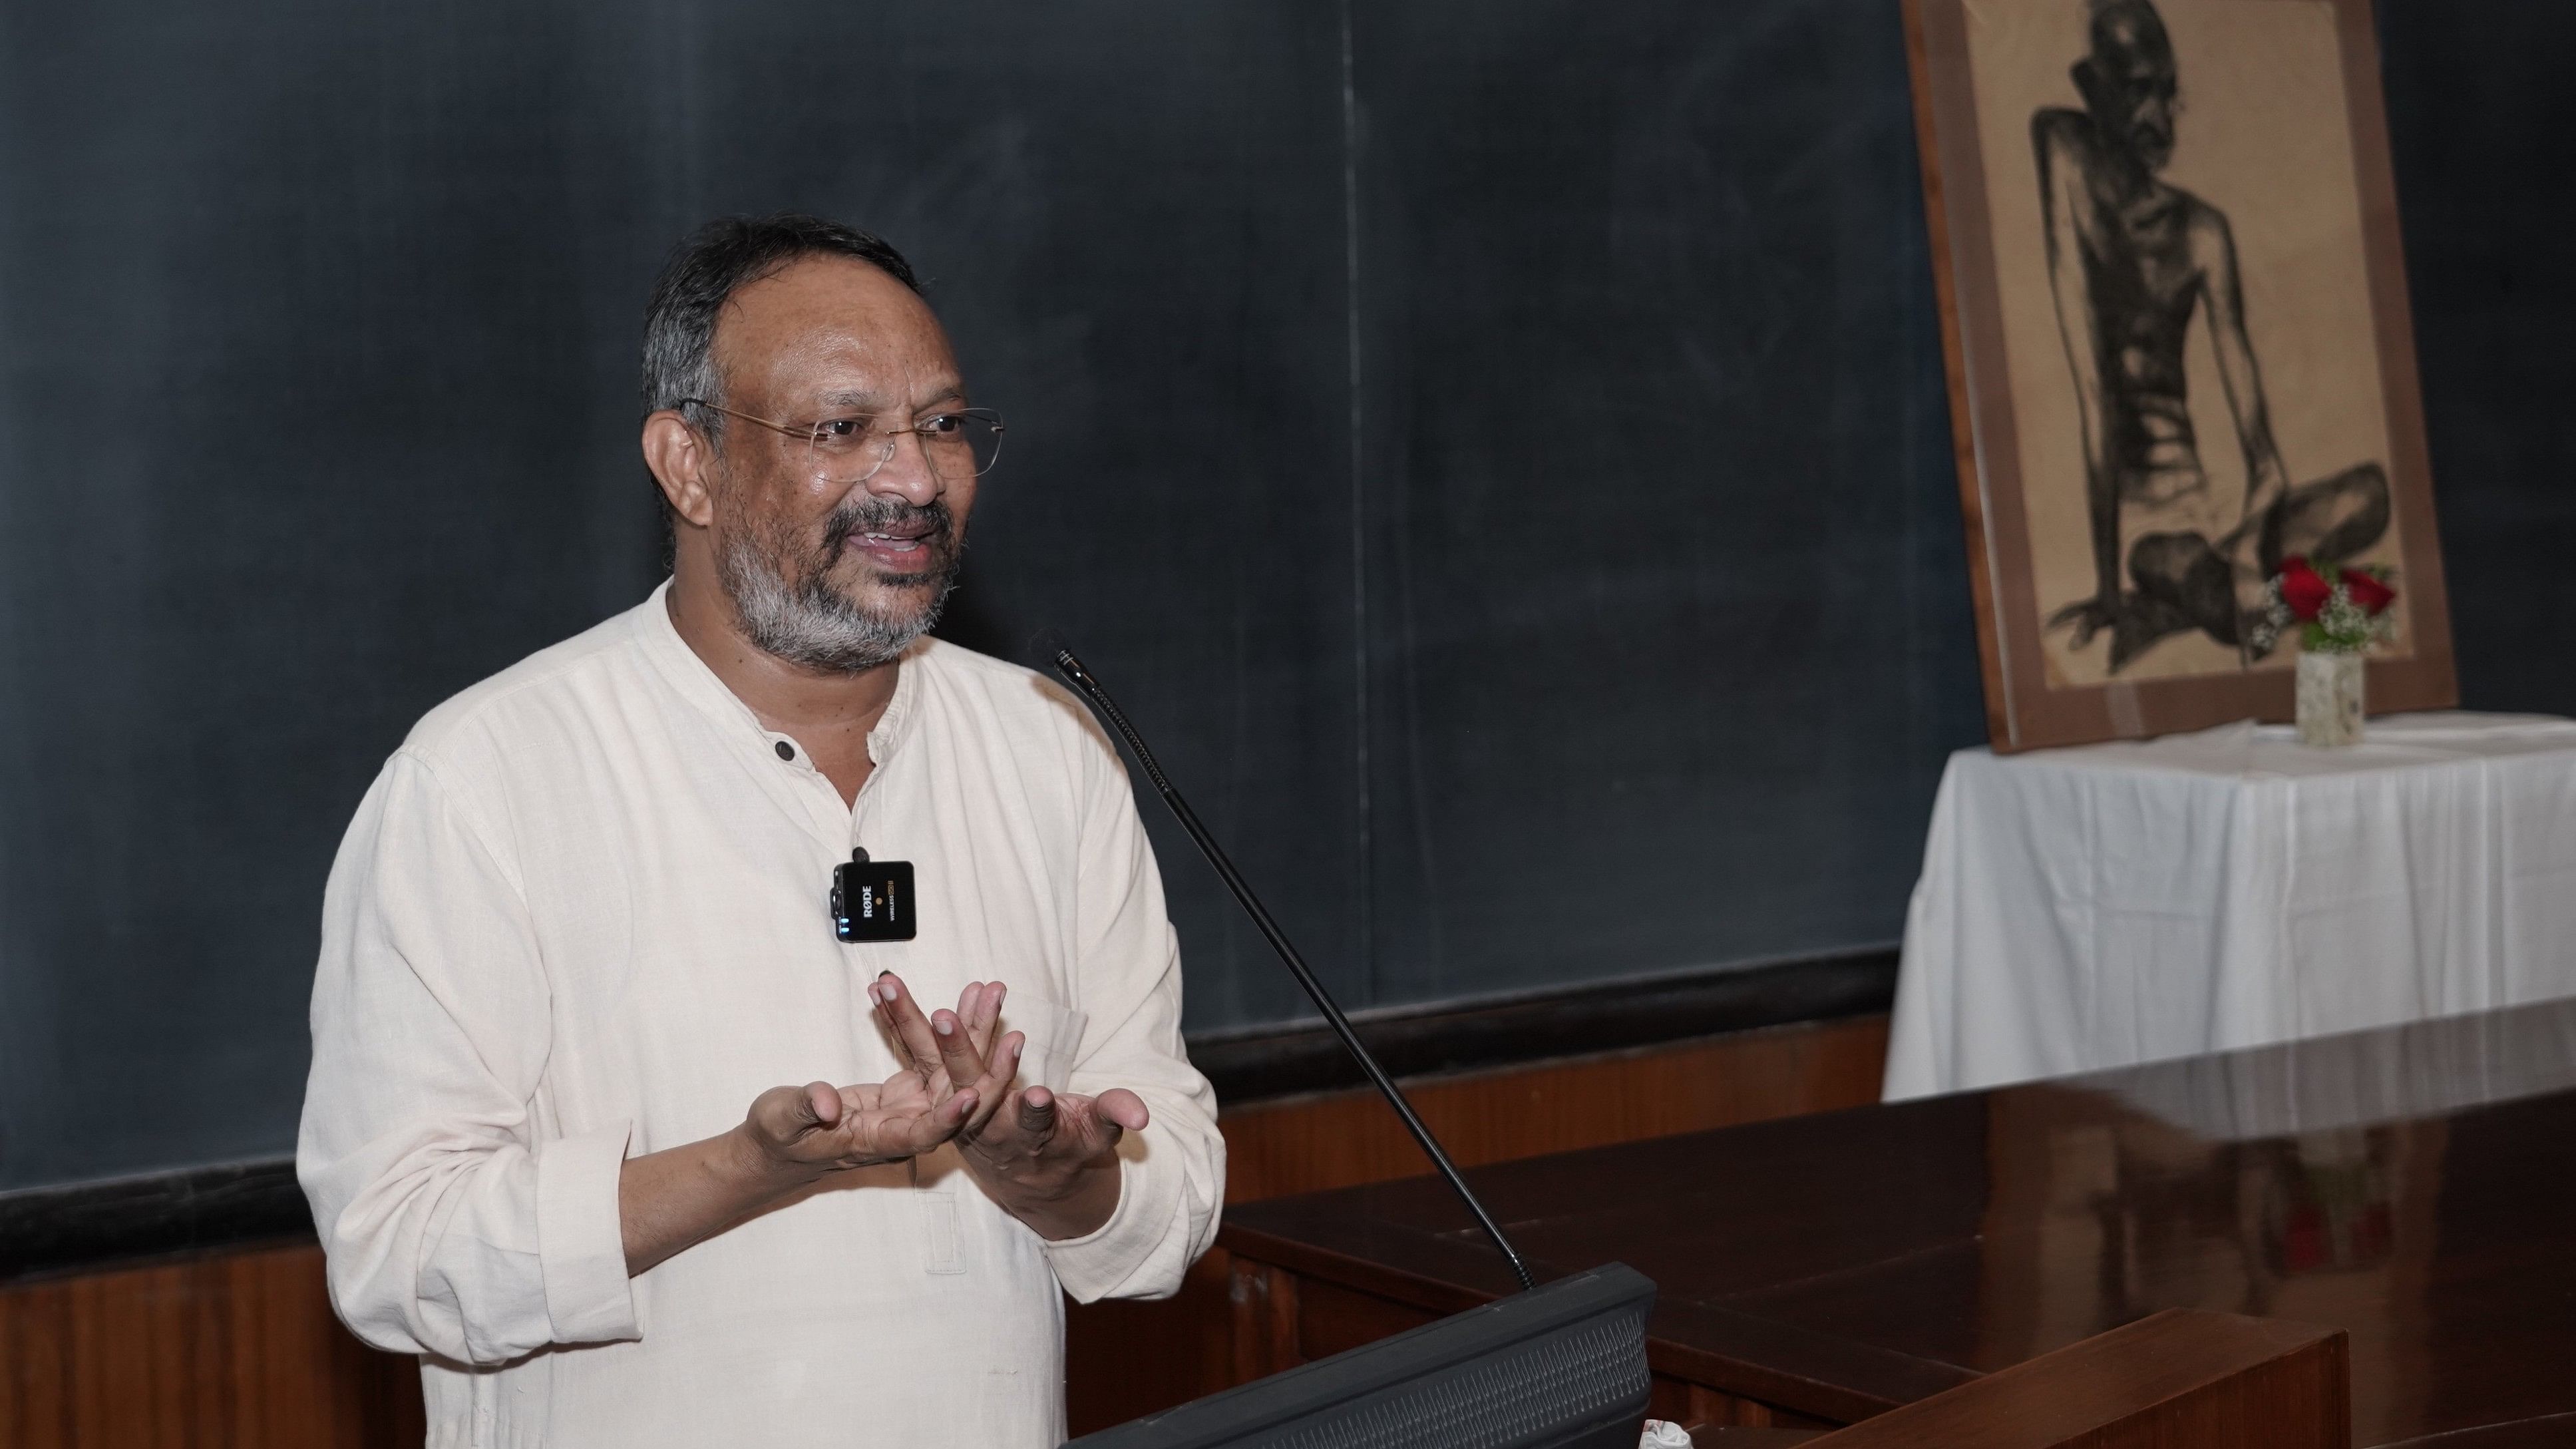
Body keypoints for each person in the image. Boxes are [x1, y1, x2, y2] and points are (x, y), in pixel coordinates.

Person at [297, 214, 1224, 1448]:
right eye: (842, 430)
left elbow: (1167, 1206)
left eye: (943, 425)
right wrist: (754, 1164)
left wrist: (1055, 1172)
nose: (911, 478)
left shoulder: (1050, 750)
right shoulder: (484, 783)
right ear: (689, 463)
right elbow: (395, 1252)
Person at [2035, 0, 2388, 672]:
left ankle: (2239, 586)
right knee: (2231, 611)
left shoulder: (2202, 230)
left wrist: (2261, 501)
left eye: (2168, 94)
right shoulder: (2060, 147)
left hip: (2217, 510)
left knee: (2369, 492)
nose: (2160, 120)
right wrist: (2109, 585)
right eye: (2139, 93)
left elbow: (2256, 433)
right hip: (2147, 526)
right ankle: (2345, 607)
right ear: (2095, 89)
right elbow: (2093, 391)